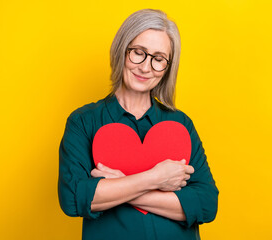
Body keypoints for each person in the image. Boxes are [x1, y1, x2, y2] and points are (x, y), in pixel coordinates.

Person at [58, 9, 219, 240]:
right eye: (138, 53)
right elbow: (74, 198)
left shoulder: (181, 124)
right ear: (122, 50)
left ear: (167, 67)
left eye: (158, 59)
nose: (145, 67)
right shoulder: (83, 122)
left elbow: (206, 204)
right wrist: (156, 178)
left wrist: (118, 187)